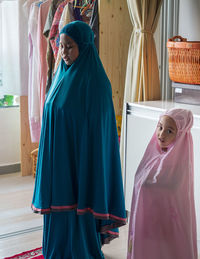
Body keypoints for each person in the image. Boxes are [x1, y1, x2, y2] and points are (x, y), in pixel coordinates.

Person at [31, 21, 127, 258]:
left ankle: (80, 250)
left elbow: (98, 131)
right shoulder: (60, 77)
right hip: (60, 160)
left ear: (84, 47)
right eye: (61, 46)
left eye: (70, 46)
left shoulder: (97, 83)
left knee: (77, 206)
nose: (63, 52)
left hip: (82, 163)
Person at [127, 108, 198, 259]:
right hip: (147, 227)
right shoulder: (151, 156)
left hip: (168, 231)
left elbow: (173, 194)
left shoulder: (180, 166)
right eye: (160, 127)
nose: (161, 134)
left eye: (169, 131)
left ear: (180, 135)